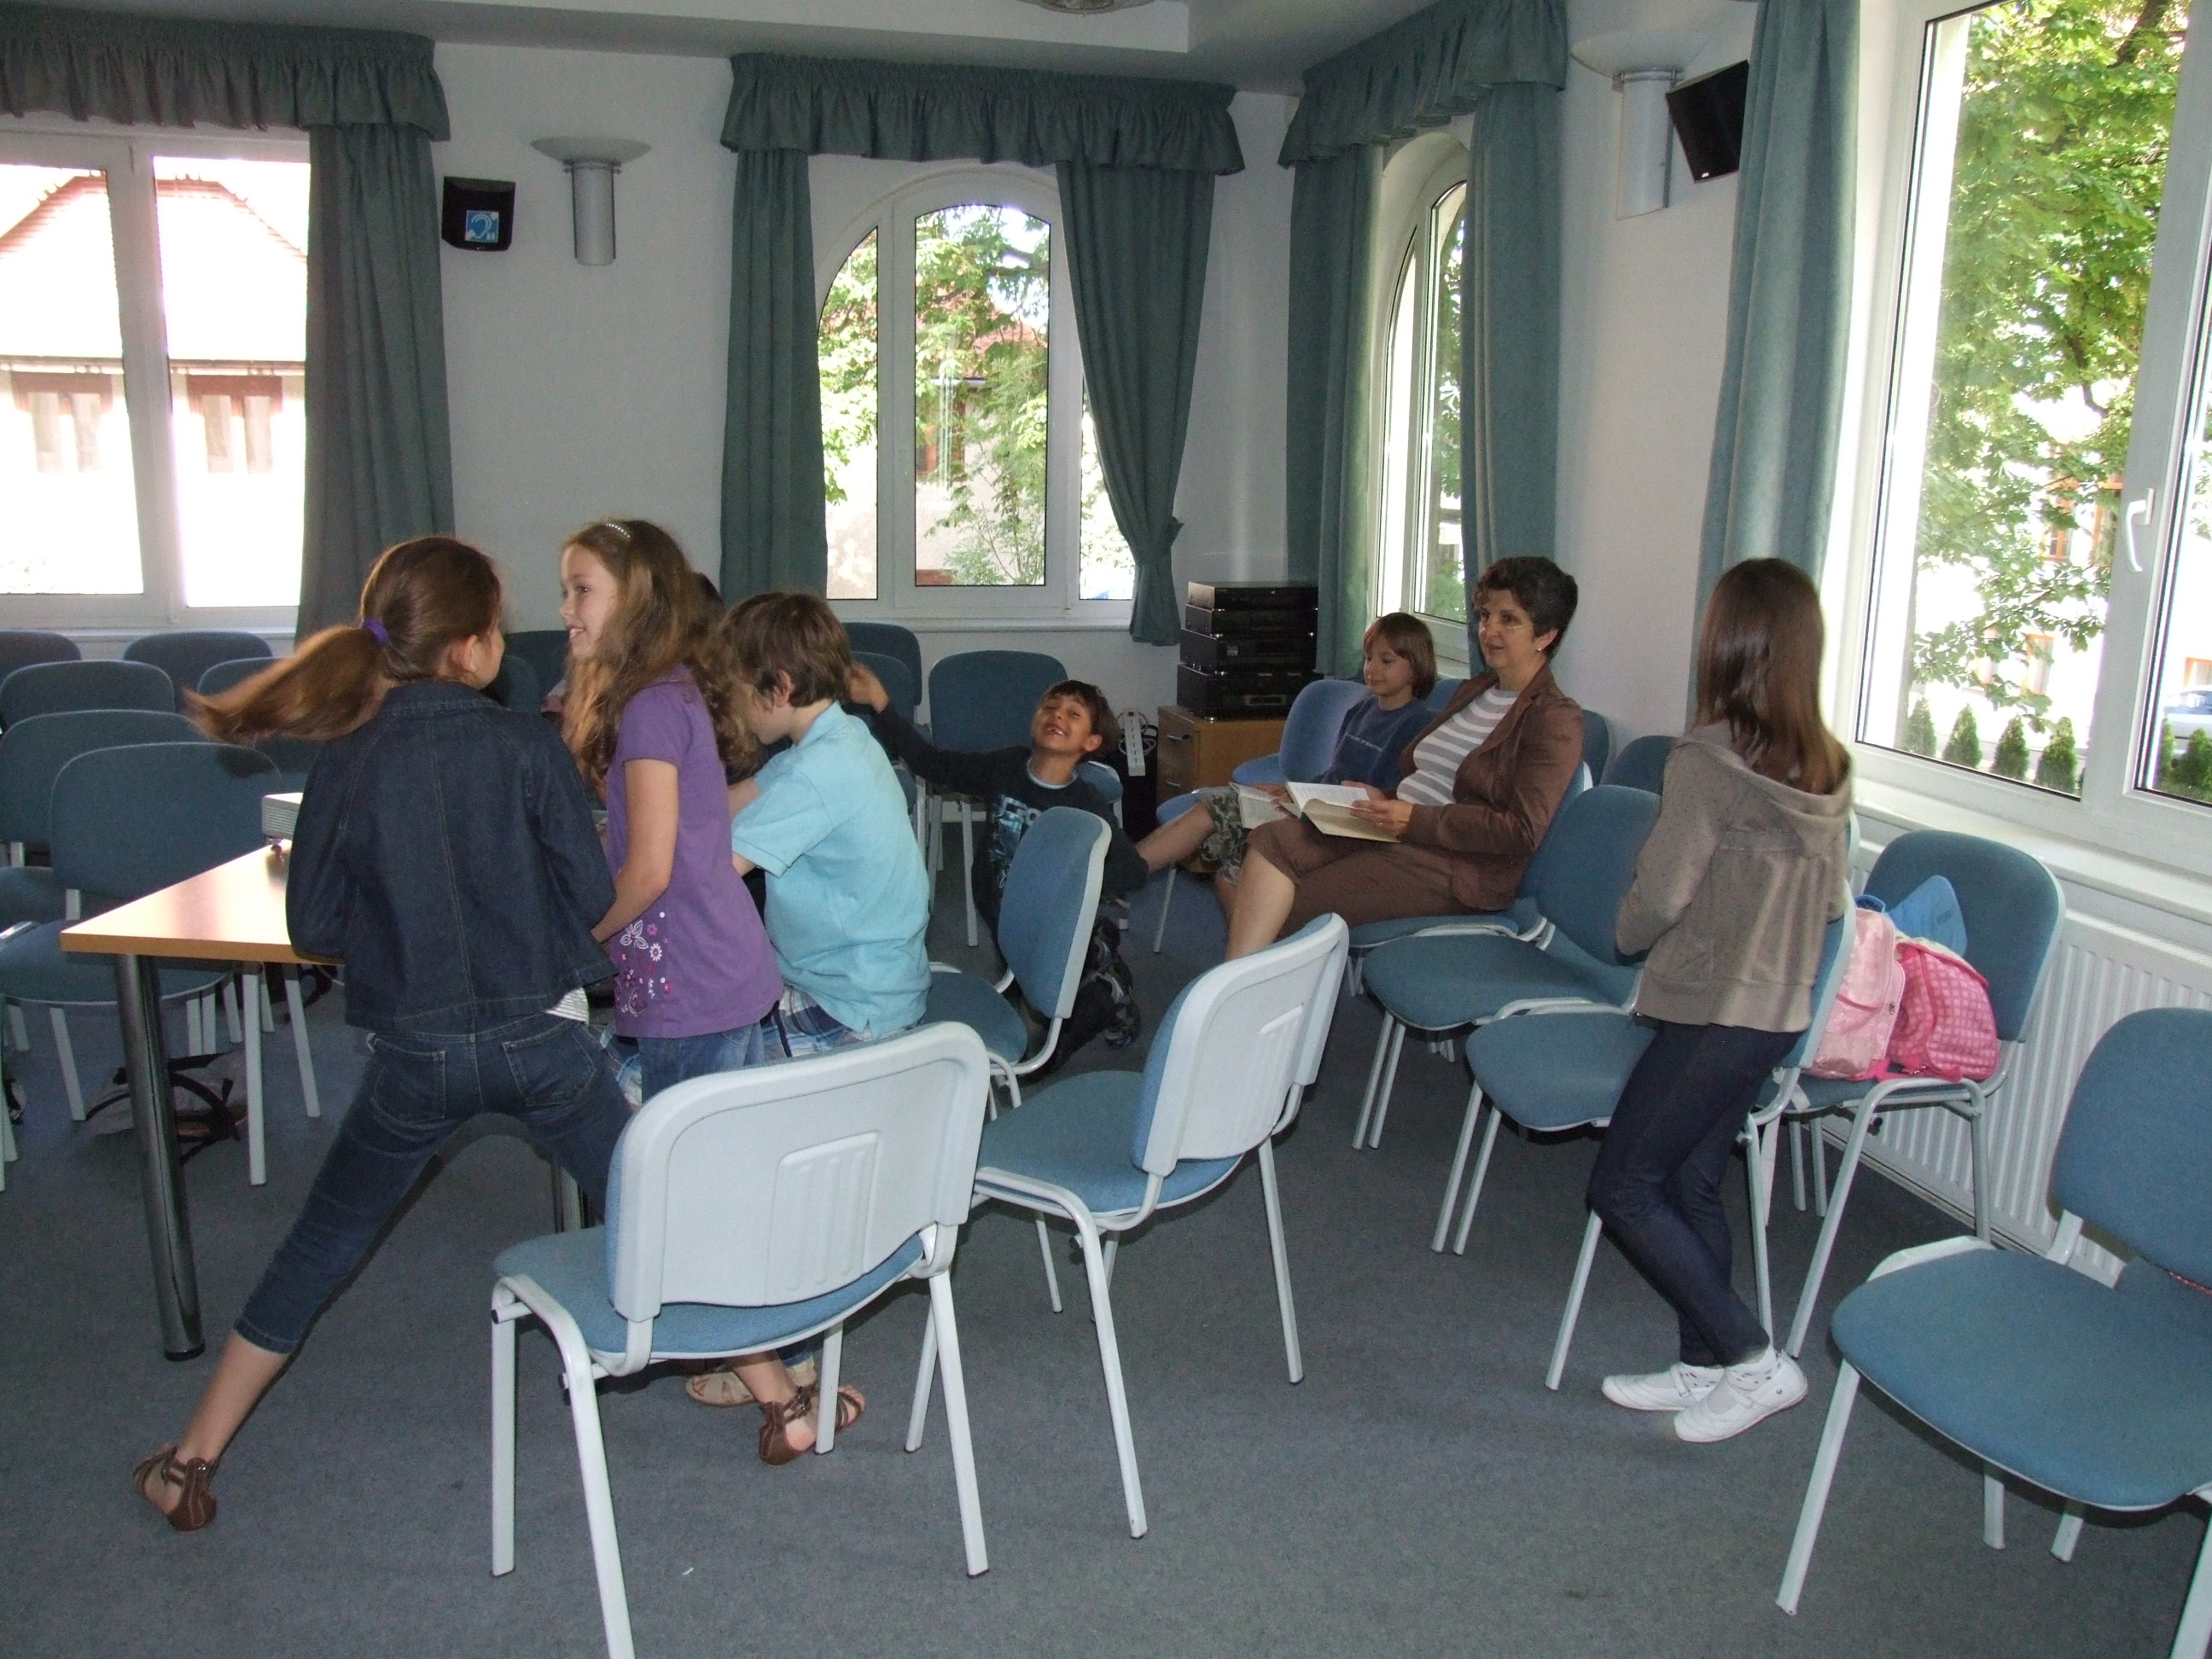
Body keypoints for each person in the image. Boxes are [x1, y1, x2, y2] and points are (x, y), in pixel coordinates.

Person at [136, 537, 635, 1532]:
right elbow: (589, 897)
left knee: (318, 1247)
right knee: (652, 1202)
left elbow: (316, 927)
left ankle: (190, 1462)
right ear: (472, 648)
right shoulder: (525, 746)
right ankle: (780, 1398)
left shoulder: (346, 757)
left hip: (414, 1059)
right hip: (542, 1044)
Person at [1589, 557, 1851, 1443]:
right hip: (1775, 1012)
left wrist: (1626, 930)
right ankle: (1702, 1364)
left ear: (1726, 644)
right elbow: (1830, 902)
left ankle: (1753, 1360)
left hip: (1713, 1008)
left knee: (1622, 1186)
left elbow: (1662, 894)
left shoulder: (1707, 760)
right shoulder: (1828, 767)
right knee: (1693, 1180)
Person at [1225, 558, 1586, 958]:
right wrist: (1382, 798)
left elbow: (1520, 830)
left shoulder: (1554, 718)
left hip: (1453, 864)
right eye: (1486, 615)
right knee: (1270, 839)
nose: (1490, 630)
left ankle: (1236, 986)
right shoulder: (1476, 691)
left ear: (1546, 634)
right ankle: (1239, 983)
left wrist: (1413, 819)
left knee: (1292, 901)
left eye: (1510, 619)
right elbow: (1431, 778)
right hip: (1393, 827)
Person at [557, 520, 778, 1097]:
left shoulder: (651, 707)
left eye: (583, 589)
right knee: (727, 1141)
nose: (566, 608)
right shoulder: (665, 692)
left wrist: (575, 942)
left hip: (692, 981)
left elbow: (650, 873)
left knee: (690, 1151)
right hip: (712, 968)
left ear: (638, 600)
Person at [848, 666, 1146, 1065]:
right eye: (1050, 707)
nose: (1057, 715)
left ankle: (1109, 987)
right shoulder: (1006, 767)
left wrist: (1072, 879)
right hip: (1001, 912)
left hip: (1053, 927)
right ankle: (1087, 963)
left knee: (1036, 1057)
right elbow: (930, 763)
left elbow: (1132, 870)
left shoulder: (1085, 804)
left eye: (1073, 714)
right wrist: (880, 704)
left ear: (1091, 742)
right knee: (1024, 1002)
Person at [1135, 612, 1441, 917]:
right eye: (1369, 658)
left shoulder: (1419, 725)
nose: (1372, 669)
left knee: (1233, 873)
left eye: (1386, 661)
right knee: (1213, 808)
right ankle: (1124, 872)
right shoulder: (1360, 711)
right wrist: (1289, 791)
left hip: (1347, 825)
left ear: (1416, 666)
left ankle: (1263, 944)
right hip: (1313, 807)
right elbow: (1333, 775)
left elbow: (1398, 798)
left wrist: (1312, 801)